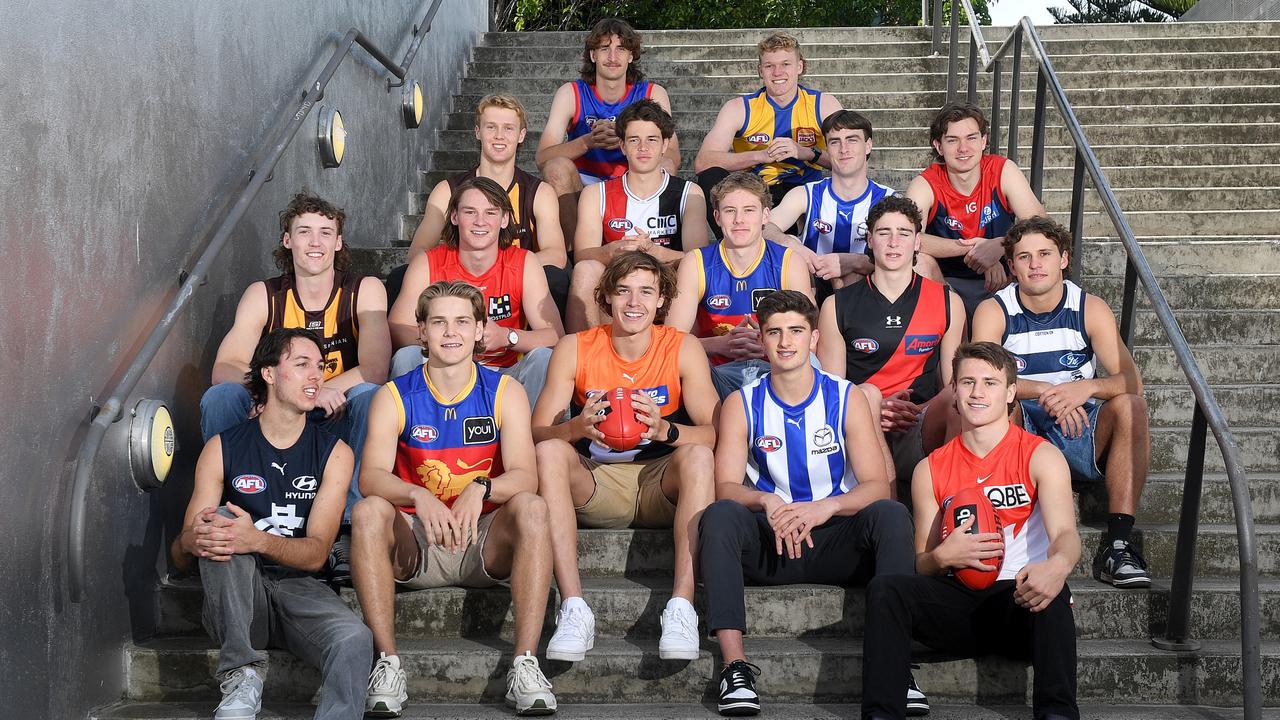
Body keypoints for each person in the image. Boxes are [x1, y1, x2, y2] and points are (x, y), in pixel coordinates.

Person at [699, 290, 915, 717]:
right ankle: (735, 667)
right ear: (761, 341)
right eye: (774, 332)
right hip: (772, 541)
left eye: (796, 331)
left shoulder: (846, 396)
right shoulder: (741, 403)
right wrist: (765, 499)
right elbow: (725, 485)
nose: (785, 342)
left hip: (834, 538)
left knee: (892, 514)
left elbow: (876, 486)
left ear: (814, 338)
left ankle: (897, 667)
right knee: (720, 515)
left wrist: (826, 508)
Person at [353, 281, 557, 717]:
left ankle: (525, 663)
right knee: (369, 511)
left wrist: (481, 487)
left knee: (533, 508)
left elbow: (526, 475)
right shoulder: (395, 395)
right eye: (439, 322)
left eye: (463, 321)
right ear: (421, 332)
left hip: (482, 538)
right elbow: (370, 476)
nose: (451, 332)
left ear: (481, 329)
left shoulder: (505, 391)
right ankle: (387, 663)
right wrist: (416, 494)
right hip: (417, 540)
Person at [861, 342, 1082, 720]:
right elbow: (921, 562)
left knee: (1054, 592)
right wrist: (942, 557)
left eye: (990, 383)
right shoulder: (930, 469)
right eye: (968, 382)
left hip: (1020, 601)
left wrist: (1057, 566)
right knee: (886, 589)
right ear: (954, 389)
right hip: (959, 603)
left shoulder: (1040, 454)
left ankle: (1057, 714)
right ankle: (882, 712)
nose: (978, 393)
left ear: (1011, 392)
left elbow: (1065, 534)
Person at [173, 328, 373, 720]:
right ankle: (241, 673)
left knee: (355, 639)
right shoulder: (222, 448)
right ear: (268, 373)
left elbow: (317, 553)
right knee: (222, 521)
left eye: (320, 367)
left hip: (302, 589)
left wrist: (257, 539)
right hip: (237, 598)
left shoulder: (336, 453)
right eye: (301, 365)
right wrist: (193, 541)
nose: (316, 376)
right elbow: (180, 554)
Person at [532, 251, 719, 664]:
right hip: (596, 479)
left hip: (659, 480)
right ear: (606, 298)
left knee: (700, 457)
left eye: (645, 292)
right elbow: (538, 430)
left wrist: (666, 430)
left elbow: (713, 432)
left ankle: (681, 607)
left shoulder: (681, 347)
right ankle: (574, 607)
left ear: (661, 301)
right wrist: (574, 428)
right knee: (548, 451)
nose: (634, 302)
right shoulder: (575, 347)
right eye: (624, 291)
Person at [202, 191, 390, 577]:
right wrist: (270, 391)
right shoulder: (265, 294)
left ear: (339, 242)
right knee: (221, 397)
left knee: (373, 397)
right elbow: (225, 366)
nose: (316, 242)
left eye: (326, 232)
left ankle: (348, 530)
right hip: (275, 416)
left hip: (335, 416)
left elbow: (374, 368)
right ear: (287, 240)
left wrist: (320, 389)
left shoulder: (363, 289)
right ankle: (222, 518)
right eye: (304, 232)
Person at [972, 216, 1151, 588]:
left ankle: (1118, 545)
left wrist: (1085, 389)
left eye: (1044, 254)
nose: (1035, 264)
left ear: (1064, 259)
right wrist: (1047, 391)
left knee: (1132, 406)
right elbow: (979, 379)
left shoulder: (1089, 307)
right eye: (1024, 257)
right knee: (995, 405)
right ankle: (999, 533)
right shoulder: (994, 310)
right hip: (1023, 429)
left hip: (1080, 428)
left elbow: (1132, 380)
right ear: (1011, 265)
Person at [817, 195, 966, 500]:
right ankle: (890, 515)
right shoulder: (837, 305)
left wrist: (917, 410)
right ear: (870, 240)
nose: (894, 242)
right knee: (866, 397)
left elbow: (955, 383)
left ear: (917, 242)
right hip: (859, 431)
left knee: (961, 395)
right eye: (884, 233)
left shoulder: (948, 301)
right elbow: (832, 390)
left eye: (904, 233)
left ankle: (951, 502)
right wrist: (876, 409)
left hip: (920, 424)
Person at [388, 177, 563, 408]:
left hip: (504, 372)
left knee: (543, 359)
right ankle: (415, 432)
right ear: (454, 217)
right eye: (470, 212)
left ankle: (530, 438)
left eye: (491, 212)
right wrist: (448, 338)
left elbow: (555, 336)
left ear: (505, 219)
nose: (480, 221)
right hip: (441, 368)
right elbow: (396, 327)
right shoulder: (428, 262)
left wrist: (507, 337)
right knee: (406, 357)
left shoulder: (524, 262)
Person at [402, 94, 569, 314]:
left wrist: (496, 272)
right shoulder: (447, 190)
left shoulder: (539, 192)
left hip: (518, 286)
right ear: (478, 132)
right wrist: (466, 273)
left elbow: (556, 255)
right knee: (400, 277)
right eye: (491, 127)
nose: (499, 136)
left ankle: (545, 342)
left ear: (521, 135)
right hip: (458, 283)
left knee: (556, 278)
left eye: (508, 128)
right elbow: (417, 252)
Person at [666, 171, 811, 400]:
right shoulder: (696, 263)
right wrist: (721, 344)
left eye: (749, 210)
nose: (739, 220)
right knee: (675, 365)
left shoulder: (789, 261)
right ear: (717, 217)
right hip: (714, 373)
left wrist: (769, 344)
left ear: (765, 216)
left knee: (812, 361)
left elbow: (809, 337)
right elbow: (671, 341)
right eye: (730, 211)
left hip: (775, 368)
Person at [536, 18, 680, 248]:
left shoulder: (652, 93)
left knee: (665, 167)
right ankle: (576, 253)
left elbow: (672, 156)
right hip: (584, 182)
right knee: (556, 167)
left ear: (631, 55)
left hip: (632, 178)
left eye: (621, 49)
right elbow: (542, 158)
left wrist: (627, 138)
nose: (613, 57)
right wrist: (588, 141)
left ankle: (659, 247)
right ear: (593, 55)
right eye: (605, 48)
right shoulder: (571, 93)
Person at [566, 99, 709, 331]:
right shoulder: (596, 194)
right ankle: (581, 353)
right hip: (619, 286)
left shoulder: (689, 193)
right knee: (585, 270)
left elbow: (701, 259)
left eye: (652, 140)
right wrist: (612, 250)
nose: (643, 148)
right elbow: (582, 256)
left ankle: (679, 353)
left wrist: (655, 252)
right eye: (634, 140)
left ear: (665, 145)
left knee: (689, 273)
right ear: (622, 146)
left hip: (668, 285)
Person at [905, 103, 1045, 321]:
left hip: (1004, 280)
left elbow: (1040, 224)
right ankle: (952, 339)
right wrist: (974, 249)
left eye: (971, 138)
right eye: (952, 140)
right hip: (947, 282)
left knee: (1040, 252)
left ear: (984, 141)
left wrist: (999, 245)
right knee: (918, 260)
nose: (963, 148)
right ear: (939, 146)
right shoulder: (926, 183)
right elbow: (907, 237)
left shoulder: (1002, 170)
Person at [695, 32, 842, 238]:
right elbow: (703, 162)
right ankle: (735, 245)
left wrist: (805, 152)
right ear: (760, 71)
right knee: (710, 176)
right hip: (755, 190)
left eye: (785, 64)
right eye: (769, 66)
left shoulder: (823, 104)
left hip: (803, 190)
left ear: (800, 66)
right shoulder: (739, 108)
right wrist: (761, 155)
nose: (777, 72)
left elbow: (851, 161)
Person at [765, 110, 917, 297]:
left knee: (852, 276)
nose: (844, 149)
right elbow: (764, 228)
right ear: (827, 149)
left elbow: (908, 255)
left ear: (868, 145)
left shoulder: (890, 201)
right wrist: (790, 242)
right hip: (812, 281)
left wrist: (855, 262)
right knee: (793, 263)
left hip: (867, 287)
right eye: (835, 142)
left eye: (852, 140)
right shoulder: (806, 194)